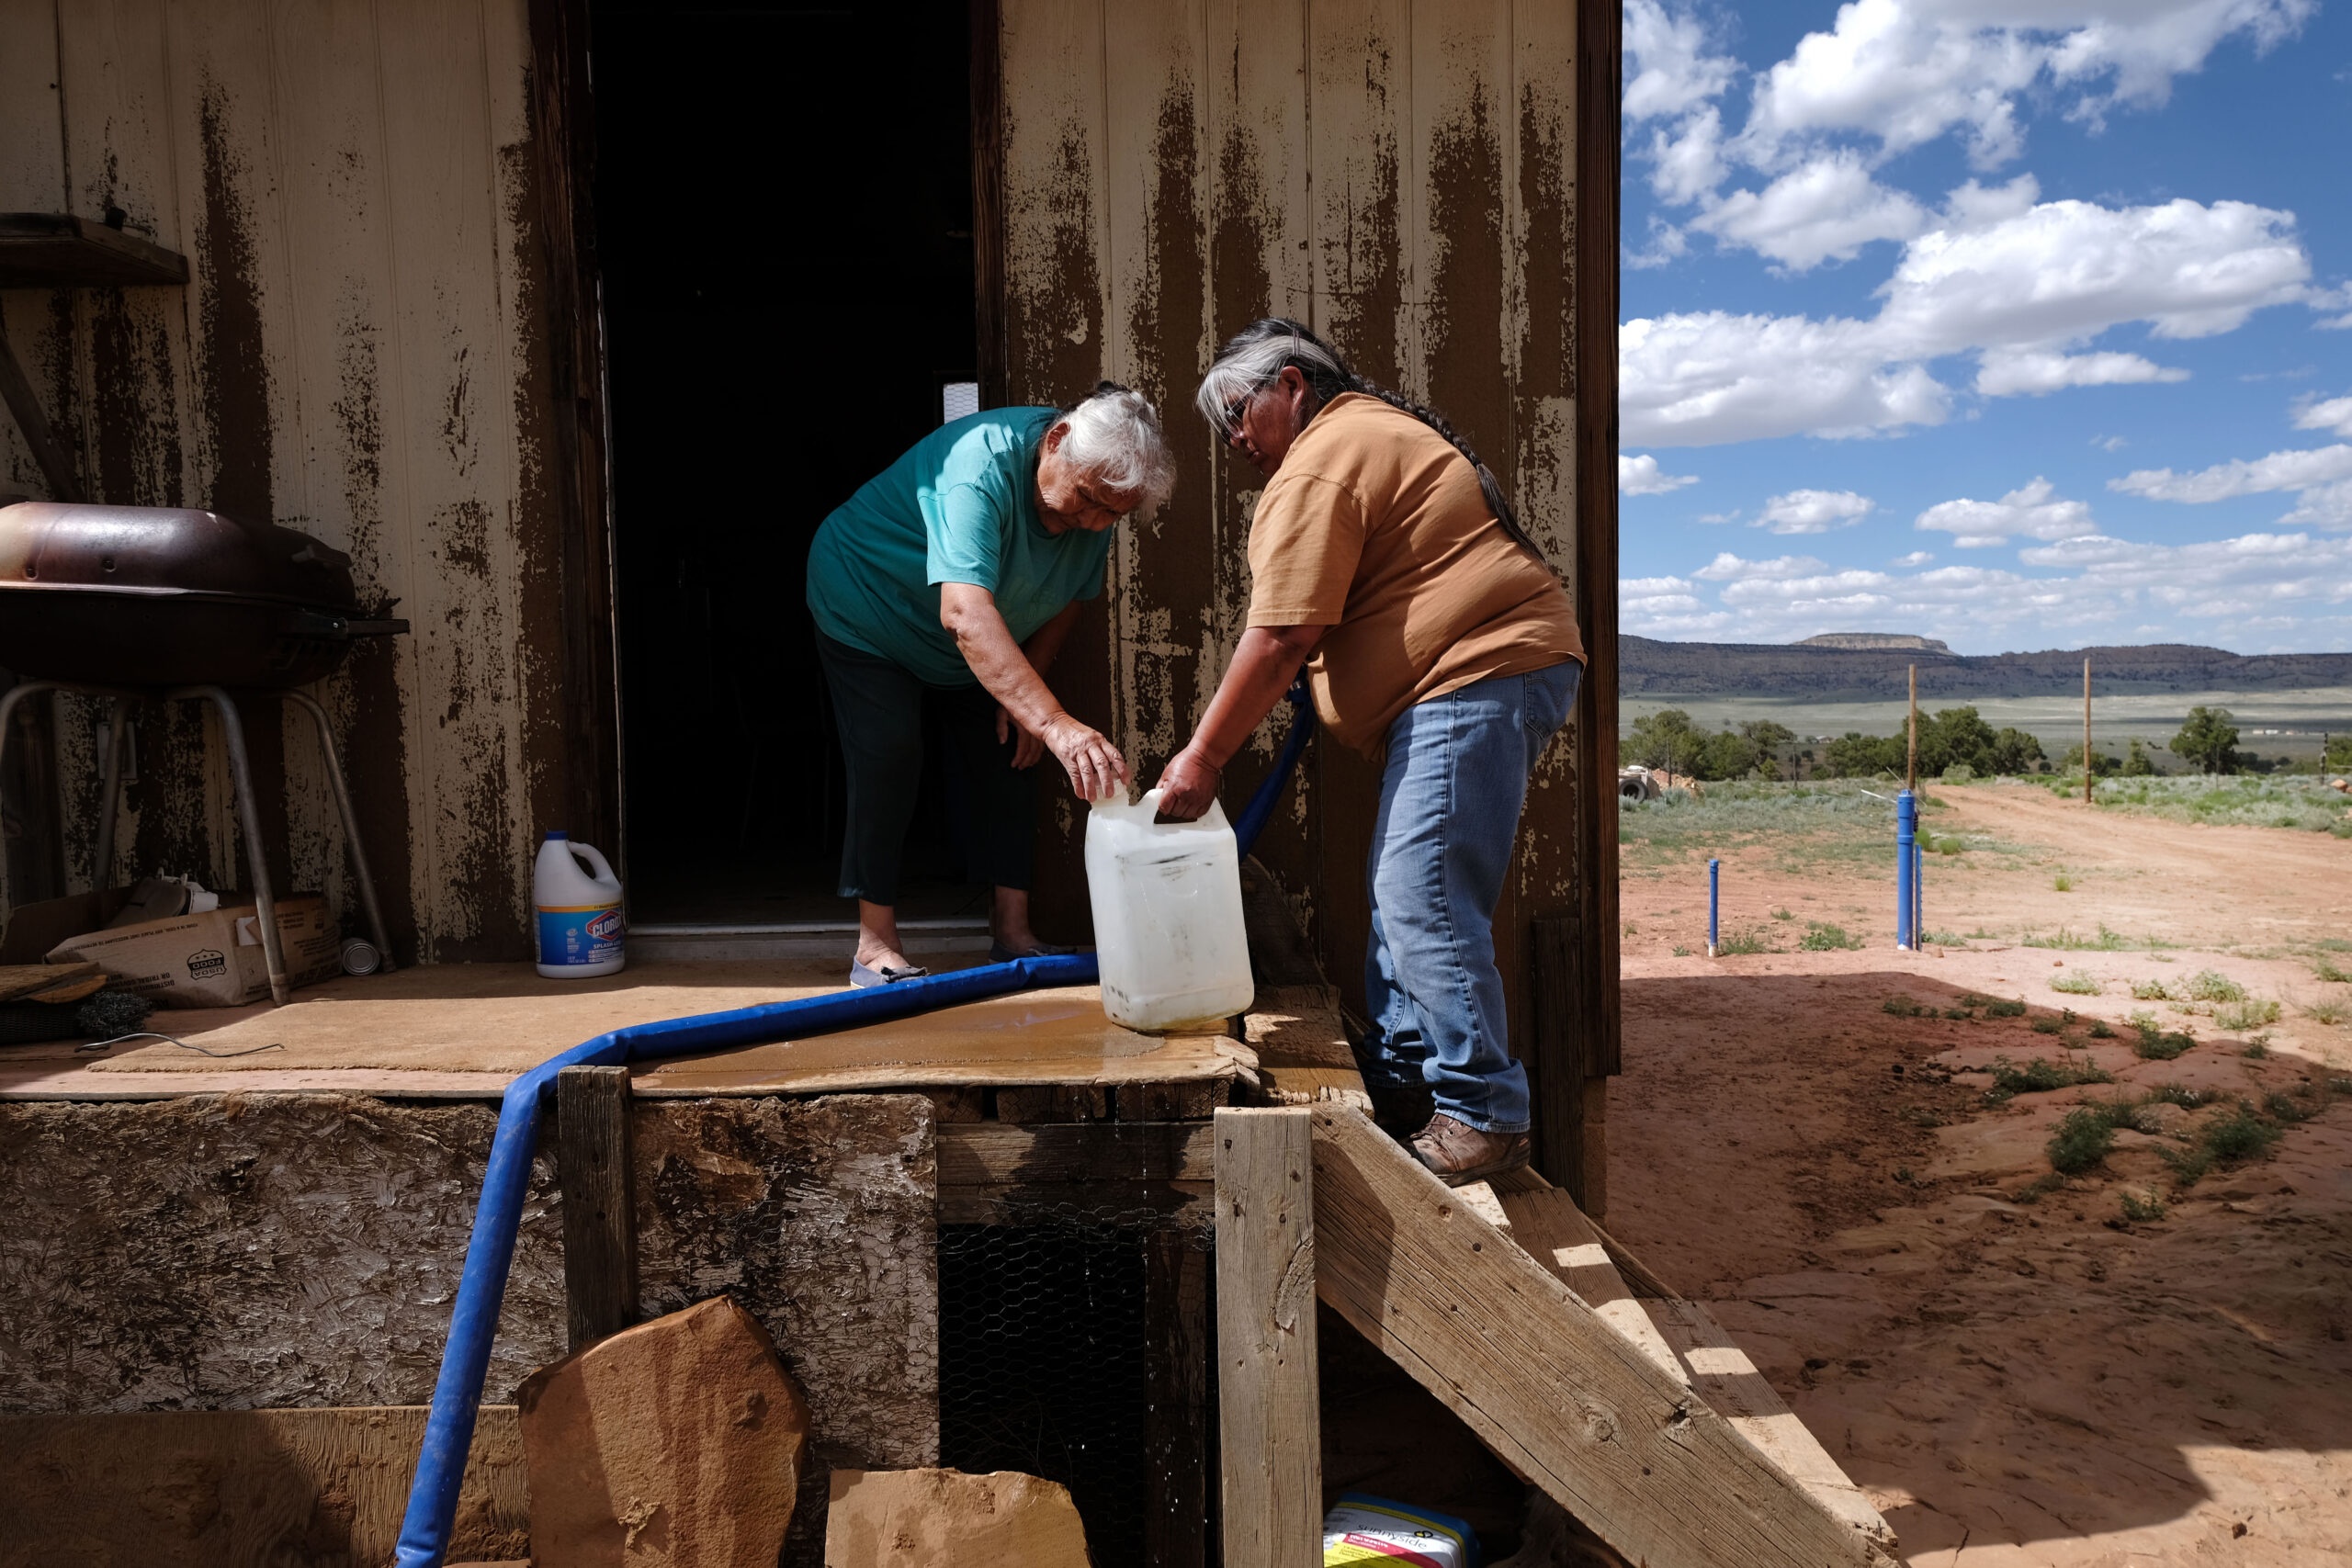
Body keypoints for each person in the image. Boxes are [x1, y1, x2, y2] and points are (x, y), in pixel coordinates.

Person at [1154, 321, 1584, 1184]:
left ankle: (1482, 1110)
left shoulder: (1322, 457)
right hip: (1474, 680)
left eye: (1238, 413)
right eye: (1222, 429)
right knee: (1402, 896)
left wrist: (1200, 758)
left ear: (1291, 387)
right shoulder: (1360, 440)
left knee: (1418, 894)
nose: (1235, 440)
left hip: (1473, 674)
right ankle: (1406, 1094)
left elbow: (1280, 637)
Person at [806, 383, 1172, 986]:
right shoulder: (979, 467)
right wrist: (1055, 721)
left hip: (972, 633)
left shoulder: (1098, 493)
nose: (1093, 521)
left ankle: (1013, 930)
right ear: (1057, 441)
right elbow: (964, 614)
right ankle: (875, 944)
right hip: (868, 604)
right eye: (1086, 501)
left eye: (1113, 513)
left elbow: (1070, 597)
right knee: (889, 747)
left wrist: (1034, 698)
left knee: (1017, 747)